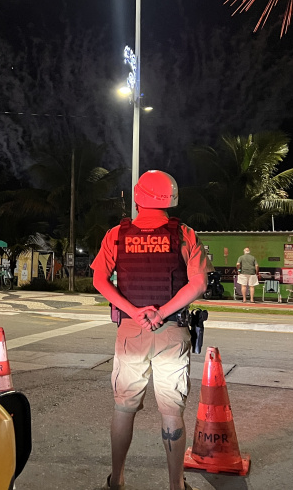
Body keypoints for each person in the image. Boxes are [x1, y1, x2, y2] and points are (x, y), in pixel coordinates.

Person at [91, 170, 208, 490]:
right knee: (171, 413)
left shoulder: (116, 234)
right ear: (171, 198)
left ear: (139, 196)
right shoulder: (184, 234)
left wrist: (135, 312)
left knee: (123, 408)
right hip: (172, 332)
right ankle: (176, 486)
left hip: (131, 331)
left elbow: (99, 279)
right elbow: (199, 283)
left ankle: (116, 480)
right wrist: (162, 313)